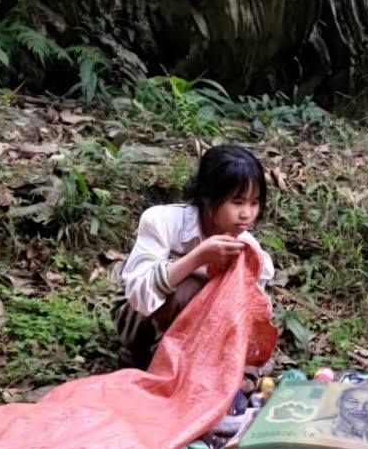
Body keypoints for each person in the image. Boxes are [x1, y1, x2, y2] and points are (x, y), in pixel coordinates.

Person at [112, 144, 275, 367]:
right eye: (237, 202)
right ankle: (155, 361)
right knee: (188, 288)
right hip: (139, 321)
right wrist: (197, 258)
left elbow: (250, 313)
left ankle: (194, 367)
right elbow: (138, 294)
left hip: (201, 339)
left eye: (254, 203)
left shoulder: (248, 247)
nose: (247, 213)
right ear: (208, 197)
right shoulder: (163, 222)